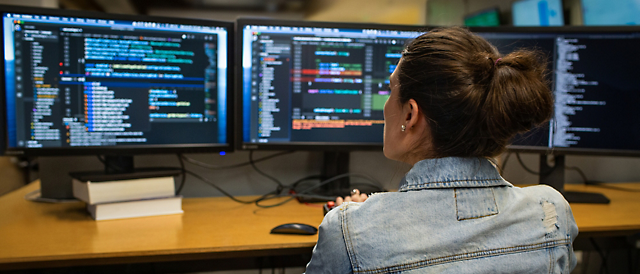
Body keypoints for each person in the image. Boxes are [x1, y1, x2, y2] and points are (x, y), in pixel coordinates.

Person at [305, 26, 578, 273]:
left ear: (411, 114)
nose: (386, 106)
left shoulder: (346, 230)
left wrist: (358, 221)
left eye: (390, 90)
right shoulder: (551, 213)